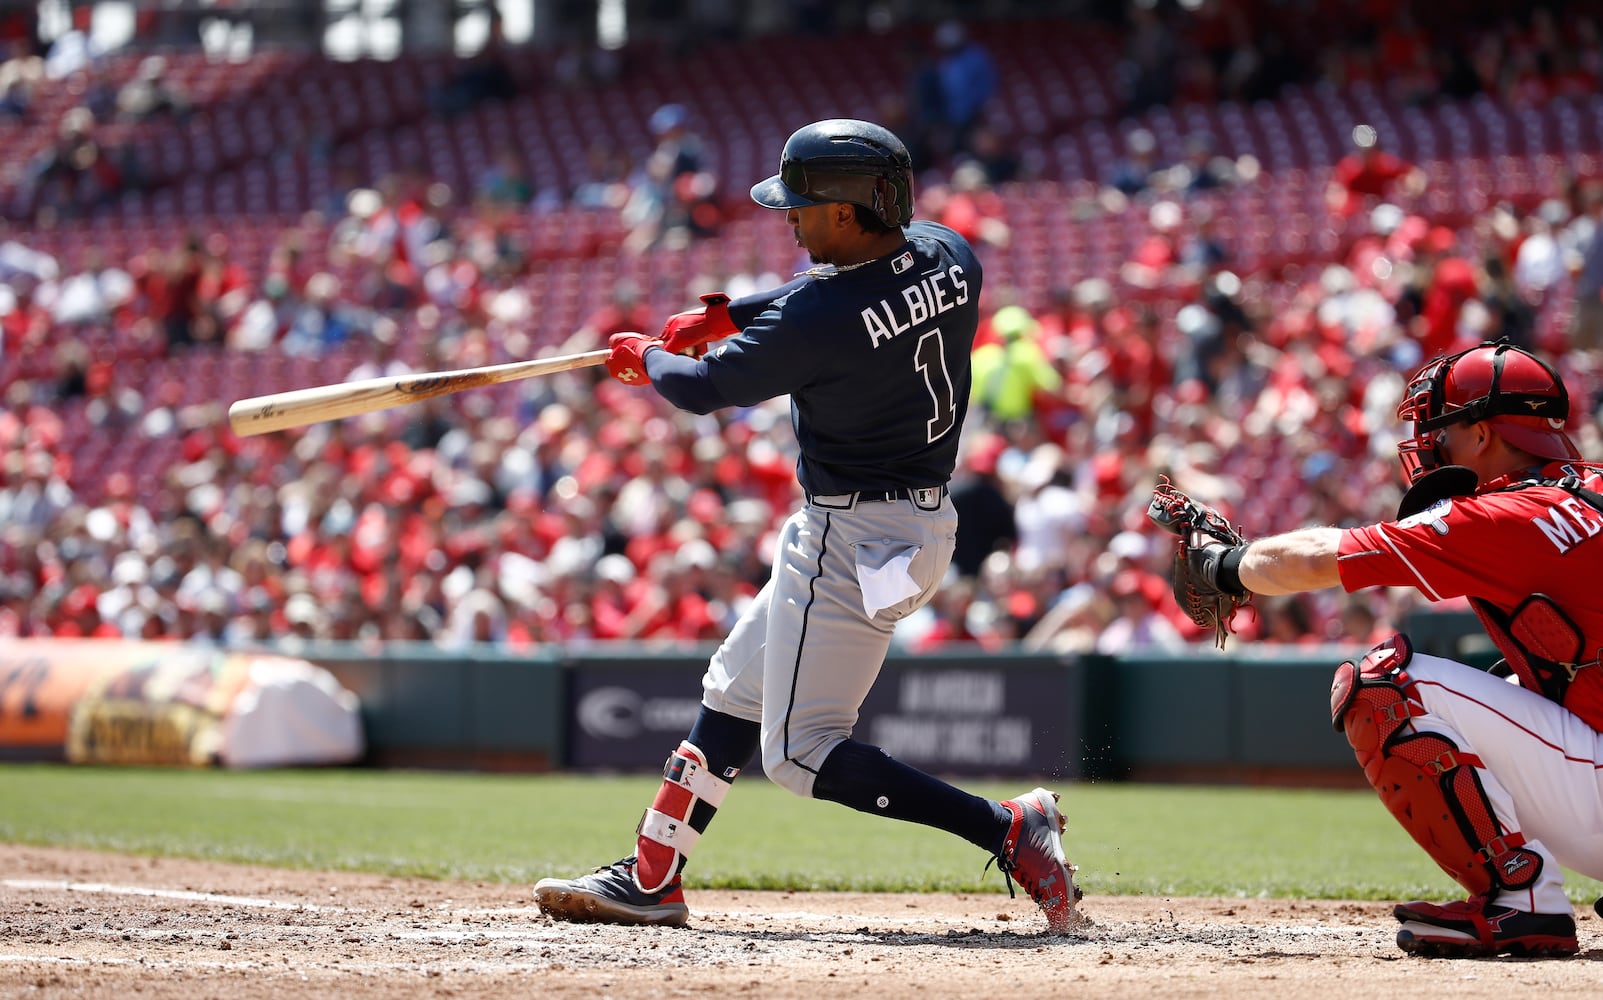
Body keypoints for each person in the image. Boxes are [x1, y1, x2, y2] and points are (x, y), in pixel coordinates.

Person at [533, 119, 1078, 932]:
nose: (789, 217)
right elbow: (841, 291)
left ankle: (1004, 828)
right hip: (907, 525)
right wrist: (729, 312)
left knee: (798, 755)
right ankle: (651, 876)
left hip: (853, 535)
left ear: (852, 211)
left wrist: (644, 354)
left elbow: (698, 390)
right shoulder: (948, 253)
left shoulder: (818, 317)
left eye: (804, 205)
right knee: (732, 690)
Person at [1160, 340, 1602, 958]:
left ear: (1481, 434)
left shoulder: (1510, 513)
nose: (1430, 446)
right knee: (1513, 680)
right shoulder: (1588, 491)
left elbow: (1323, 559)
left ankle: (1522, 901)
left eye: (1442, 430)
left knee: (1384, 682)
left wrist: (1225, 565)